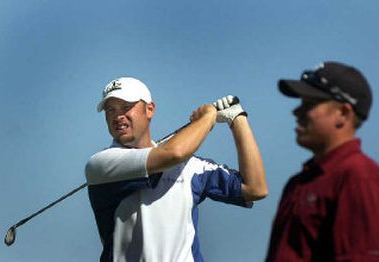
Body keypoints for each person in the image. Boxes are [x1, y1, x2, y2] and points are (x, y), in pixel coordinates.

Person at [85, 77, 268, 262]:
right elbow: (174, 153)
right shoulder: (101, 164)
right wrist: (207, 117)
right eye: (110, 110)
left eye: (126, 107)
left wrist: (237, 118)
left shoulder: (192, 166)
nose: (118, 116)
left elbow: (255, 189)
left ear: (150, 109)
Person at [266, 62, 379, 261]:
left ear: (343, 113)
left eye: (308, 105)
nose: (296, 112)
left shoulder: (360, 177)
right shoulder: (298, 183)